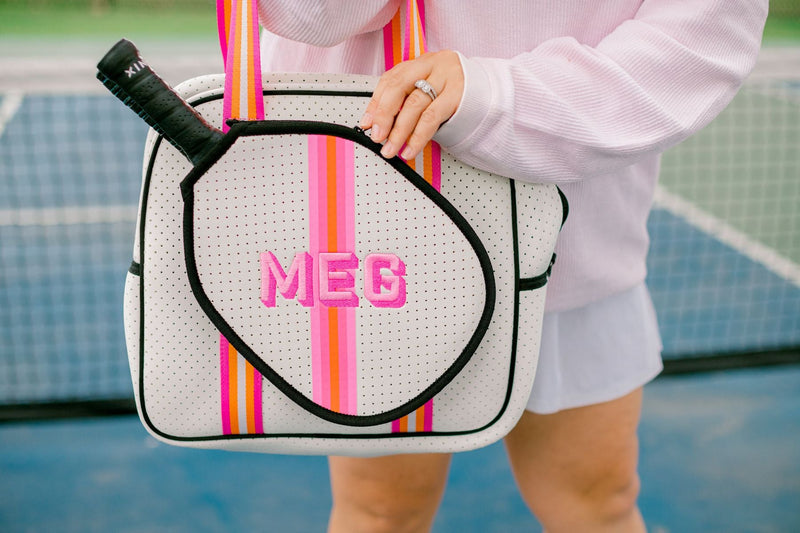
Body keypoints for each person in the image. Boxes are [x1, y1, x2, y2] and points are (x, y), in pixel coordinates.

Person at [256, 1, 768, 531]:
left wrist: (493, 98)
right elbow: (308, 15)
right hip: (382, 254)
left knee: (598, 503)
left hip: (573, 248)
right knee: (382, 509)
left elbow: (692, 49)